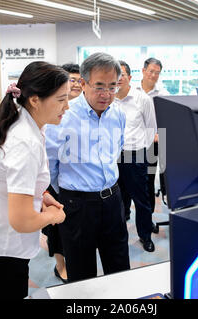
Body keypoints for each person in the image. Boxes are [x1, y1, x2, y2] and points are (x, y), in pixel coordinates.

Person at [0, 61, 67, 299]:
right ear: (34, 99)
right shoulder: (24, 141)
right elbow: (21, 221)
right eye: (61, 99)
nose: (67, 106)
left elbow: (10, 180)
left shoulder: (24, 124)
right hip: (1, 251)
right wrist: (54, 216)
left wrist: (41, 195)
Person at [45, 52, 130, 283]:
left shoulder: (119, 114)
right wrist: (70, 195)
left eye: (112, 87)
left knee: (120, 265)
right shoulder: (63, 115)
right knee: (82, 272)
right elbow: (50, 165)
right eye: (99, 86)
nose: (106, 94)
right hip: (77, 204)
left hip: (112, 199)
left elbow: (117, 150)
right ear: (83, 83)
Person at [41, 63, 81, 284]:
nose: (75, 84)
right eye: (70, 80)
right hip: (53, 182)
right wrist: (55, 185)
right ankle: (60, 264)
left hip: (75, 183)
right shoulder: (54, 111)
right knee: (56, 228)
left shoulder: (85, 111)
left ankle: (72, 262)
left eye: (78, 80)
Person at [116, 60, 157, 252]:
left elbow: (151, 129)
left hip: (135, 156)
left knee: (141, 200)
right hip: (113, 157)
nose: (117, 79)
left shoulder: (142, 99)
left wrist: (139, 150)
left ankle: (145, 236)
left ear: (129, 77)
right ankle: (118, 236)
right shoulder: (107, 99)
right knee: (117, 201)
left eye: (121, 75)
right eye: (113, 75)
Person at [136, 58, 168, 229]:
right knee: (128, 182)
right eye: (151, 71)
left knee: (148, 181)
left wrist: (158, 133)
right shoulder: (132, 91)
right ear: (143, 70)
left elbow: (167, 119)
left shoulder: (162, 94)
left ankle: (147, 221)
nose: (154, 75)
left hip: (151, 144)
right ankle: (125, 212)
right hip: (131, 144)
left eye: (157, 72)